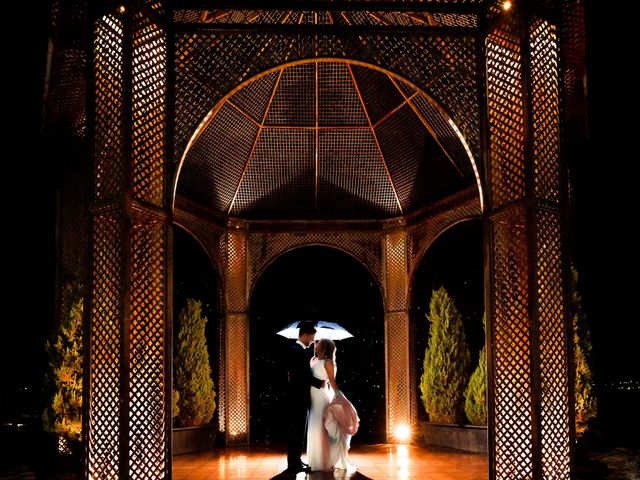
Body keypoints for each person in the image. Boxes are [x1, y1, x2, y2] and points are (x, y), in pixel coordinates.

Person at [307, 339, 359, 472]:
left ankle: (324, 461)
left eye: (318, 343)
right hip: (311, 397)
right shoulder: (312, 359)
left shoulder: (328, 363)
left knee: (320, 427)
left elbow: (332, 381)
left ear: (323, 348)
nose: (315, 344)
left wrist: (340, 396)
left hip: (321, 397)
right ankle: (314, 460)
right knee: (313, 426)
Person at [285, 321, 325, 473]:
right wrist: (320, 383)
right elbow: (302, 375)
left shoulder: (299, 350)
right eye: (312, 338)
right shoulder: (296, 350)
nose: (312, 341)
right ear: (305, 335)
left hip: (299, 397)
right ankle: (293, 464)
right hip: (298, 398)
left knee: (299, 430)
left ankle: (296, 460)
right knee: (296, 430)